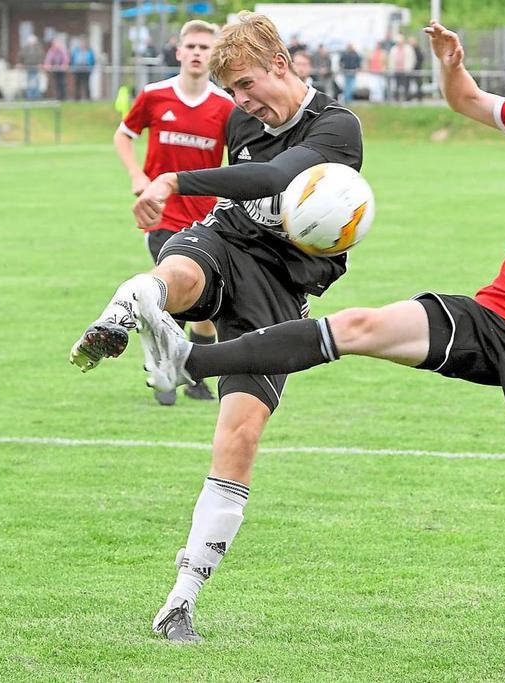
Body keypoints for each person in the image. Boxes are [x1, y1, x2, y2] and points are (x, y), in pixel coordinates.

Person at [138, 21, 505, 673]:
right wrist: (451, 65)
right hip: (490, 315)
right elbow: (469, 101)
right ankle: (186, 360)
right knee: (362, 326)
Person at [68, 10, 363, 641]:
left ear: (281, 65)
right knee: (179, 270)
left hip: (281, 288)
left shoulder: (336, 126)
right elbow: (242, 190)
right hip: (227, 241)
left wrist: (177, 176)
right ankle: (123, 318)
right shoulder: (242, 119)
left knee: (240, 436)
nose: (242, 102)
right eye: (233, 92)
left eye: (248, 86)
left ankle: (181, 598)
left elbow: (280, 177)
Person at [104, 19, 234, 405]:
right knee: (177, 293)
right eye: (191, 46)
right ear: (178, 52)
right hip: (161, 217)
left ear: (214, 55)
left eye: (204, 47)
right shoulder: (155, 95)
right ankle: (164, 371)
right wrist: (138, 176)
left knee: (207, 304)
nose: (197, 53)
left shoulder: (225, 107)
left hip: (207, 221)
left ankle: (190, 375)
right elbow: (123, 135)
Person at [388, 35, 415, 101]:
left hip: (406, 70)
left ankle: (406, 98)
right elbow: (391, 60)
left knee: (406, 85)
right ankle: (396, 98)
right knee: (396, 85)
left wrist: (410, 68)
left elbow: (412, 59)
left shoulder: (408, 48)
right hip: (396, 70)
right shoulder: (393, 49)